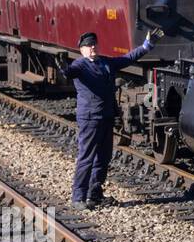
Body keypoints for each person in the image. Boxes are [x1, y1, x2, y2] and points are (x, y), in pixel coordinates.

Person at [65, 28, 162, 209]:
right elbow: (70, 72)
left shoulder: (106, 62)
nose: (92, 47)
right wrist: (65, 69)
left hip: (107, 116)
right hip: (90, 118)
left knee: (103, 157)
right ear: (82, 50)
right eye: (88, 46)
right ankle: (78, 197)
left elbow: (128, 58)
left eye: (94, 44)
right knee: (86, 156)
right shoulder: (80, 65)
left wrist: (147, 45)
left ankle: (95, 193)